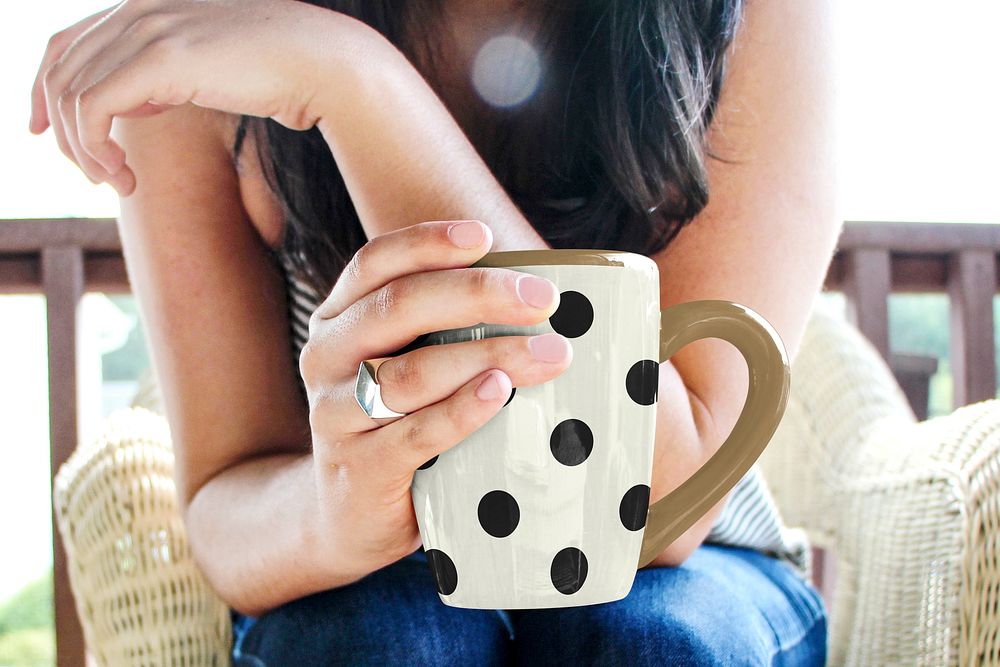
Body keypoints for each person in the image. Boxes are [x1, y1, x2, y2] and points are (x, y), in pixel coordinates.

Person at [29, 0, 837, 663]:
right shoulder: (199, 47)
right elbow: (224, 501)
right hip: (360, 577)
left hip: (696, 566)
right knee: (376, 640)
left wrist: (352, 81)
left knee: (651, 639)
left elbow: (662, 509)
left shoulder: (754, 17)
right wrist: (332, 510)